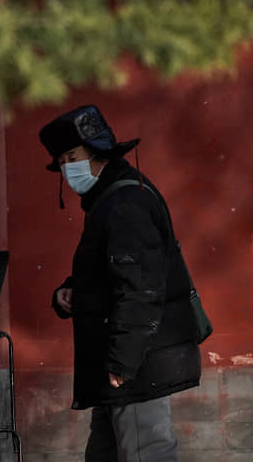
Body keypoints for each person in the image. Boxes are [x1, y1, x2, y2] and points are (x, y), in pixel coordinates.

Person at [39, 105, 201, 461]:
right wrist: (70, 290)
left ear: (98, 152)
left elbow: (140, 289)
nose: (67, 168)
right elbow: (114, 269)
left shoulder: (126, 202)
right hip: (123, 360)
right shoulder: (109, 199)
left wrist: (123, 362)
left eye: (72, 156)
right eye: (61, 161)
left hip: (137, 365)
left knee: (146, 453)